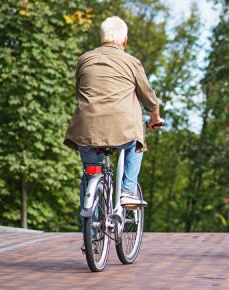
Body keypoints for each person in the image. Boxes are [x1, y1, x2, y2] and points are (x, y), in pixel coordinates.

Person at [64, 16, 163, 210]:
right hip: (123, 131)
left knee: (90, 174)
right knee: (137, 137)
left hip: (86, 131)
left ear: (101, 38)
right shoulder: (132, 62)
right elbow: (148, 98)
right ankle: (127, 190)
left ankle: (90, 229)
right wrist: (155, 118)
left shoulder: (84, 60)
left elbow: (80, 93)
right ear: (124, 41)